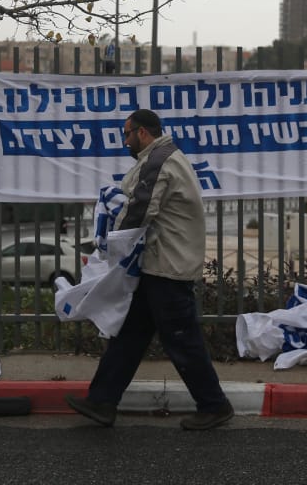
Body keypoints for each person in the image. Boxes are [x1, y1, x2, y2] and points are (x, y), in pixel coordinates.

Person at [65, 109, 233, 431]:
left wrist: (109, 247)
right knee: (130, 335)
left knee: (182, 339)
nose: (124, 141)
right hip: (157, 264)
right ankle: (102, 401)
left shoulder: (161, 160)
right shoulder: (157, 158)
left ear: (142, 133)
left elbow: (138, 211)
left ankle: (215, 405)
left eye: (126, 134)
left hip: (168, 267)